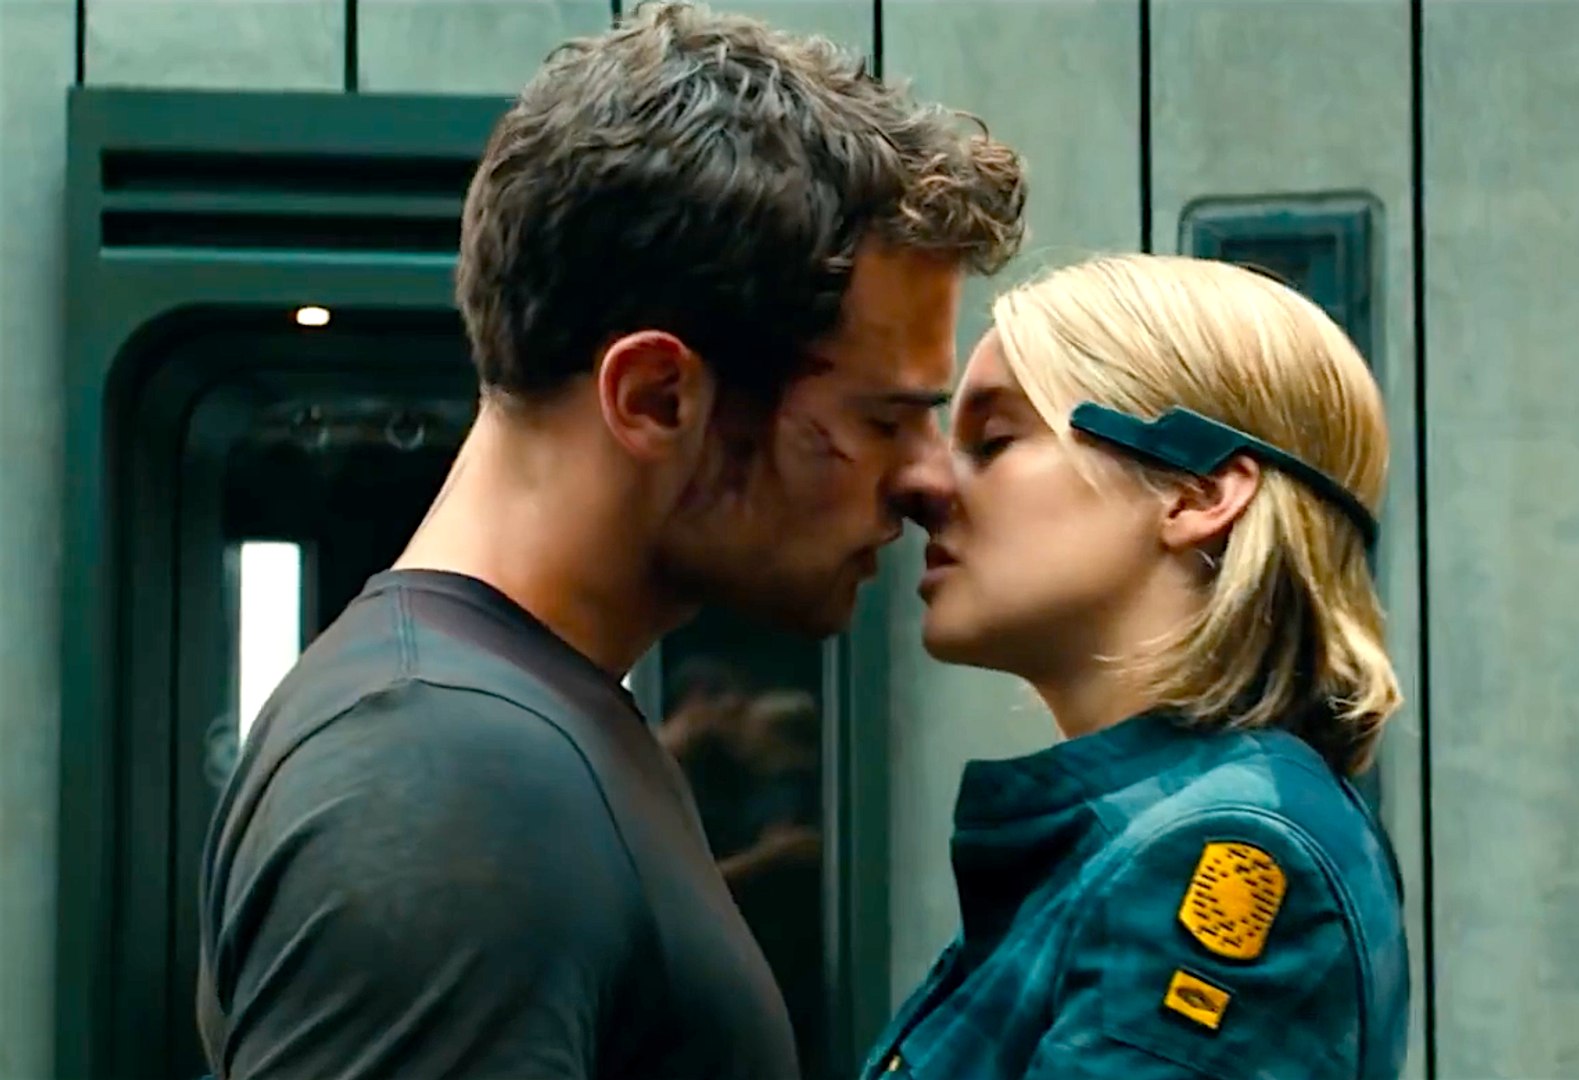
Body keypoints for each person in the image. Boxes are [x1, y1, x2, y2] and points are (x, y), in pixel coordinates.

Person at [194, 3, 1026, 1077]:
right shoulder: (446, 778)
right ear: (654, 397)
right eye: (882, 419)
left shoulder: (512, 729)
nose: (927, 480)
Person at [860, 254, 1409, 1079]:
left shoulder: (1223, 846)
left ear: (1195, 494)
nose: (924, 485)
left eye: (993, 440)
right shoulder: (1121, 842)